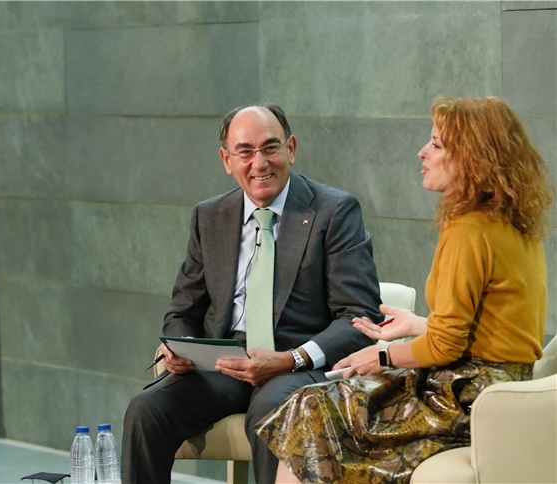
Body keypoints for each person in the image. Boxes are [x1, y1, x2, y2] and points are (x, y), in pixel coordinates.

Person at [256, 96, 553, 484]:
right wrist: (417, 324)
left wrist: (379, 356)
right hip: (497, 386)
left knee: (310, 406)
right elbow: (496, 332)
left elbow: (447, 348)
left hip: (466, 398)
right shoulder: (510, 223)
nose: (422, 152)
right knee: (320, 406)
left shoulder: (468, 230)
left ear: (472, 156)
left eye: (437, 144)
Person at [121, 104, 382, 484]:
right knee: (147, 408)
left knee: (270, 409)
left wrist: (290, 359)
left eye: (270, 148)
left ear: (291, 148)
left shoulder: (334, 211)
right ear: (227, 160)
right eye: (245, 151)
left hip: (299, 365)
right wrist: (180, 349)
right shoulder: (210, 216)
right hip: (225, 365)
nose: (259, 163)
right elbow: (183, 308)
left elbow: (359, 316)